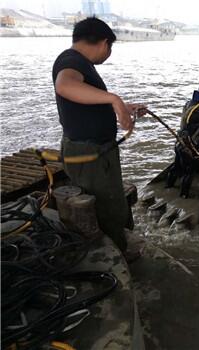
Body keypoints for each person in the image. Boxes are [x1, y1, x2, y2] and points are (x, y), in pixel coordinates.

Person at [52, 17, 145, 261]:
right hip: (89, 154)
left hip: (96, 150)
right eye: (110, 48)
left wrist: (124, 105)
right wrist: (114, 100)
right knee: (107, 205)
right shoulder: (71, 61)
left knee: (112, 200)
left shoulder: (78, 62)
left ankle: (117, 246)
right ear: (104, 43)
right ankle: (115, 259)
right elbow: (64, 86)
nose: (108, 53)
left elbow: (87, 102)